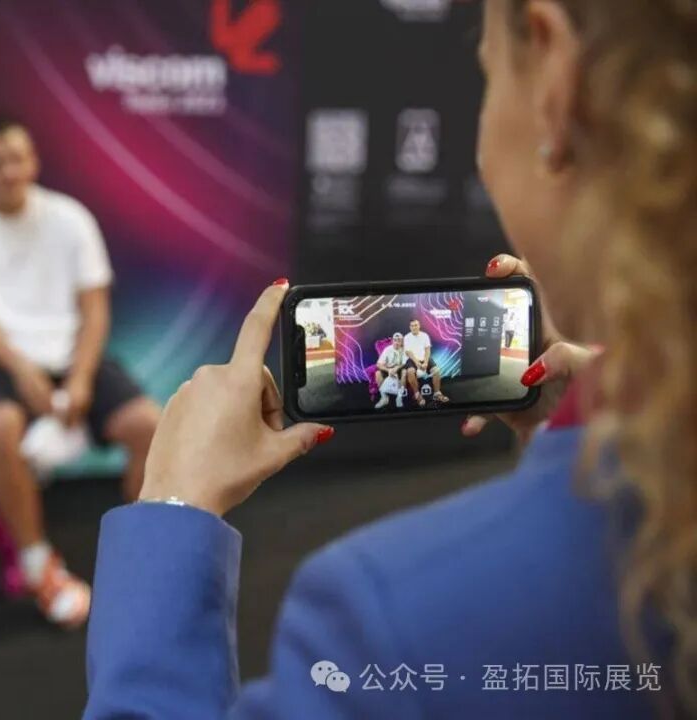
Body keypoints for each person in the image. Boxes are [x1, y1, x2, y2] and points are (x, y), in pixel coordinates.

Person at [85, 0, 694, 717]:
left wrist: (173, 504)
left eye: (488, 76)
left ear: (554, 79)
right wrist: (588, 431)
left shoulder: (382, 622)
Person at [0, 115, 161, 629]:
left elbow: (95, 307)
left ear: (33, 161)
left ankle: (143, 556)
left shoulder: (70, 217)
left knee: (150, 426)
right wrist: (22, 370)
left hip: (71, 353)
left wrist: (79, 378)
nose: (8, 172)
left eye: (16, 159)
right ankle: (39, 565)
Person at [403, 318, 450, 405]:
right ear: (410, 327)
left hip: (424, 358)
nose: (414, 327)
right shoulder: (406, 337)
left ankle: (437, 393)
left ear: (419, 326)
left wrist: (426, 362)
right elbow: (408, 352)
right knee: (410, 371)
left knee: (436, 370)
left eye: (416, 325)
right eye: (412, 326)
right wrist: (417, 363)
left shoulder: (425, 335)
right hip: (412, 359)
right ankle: (417, 395)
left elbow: (427, 350)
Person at [373, 332, 406, 409]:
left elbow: (404, 363)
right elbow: (378, 364)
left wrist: (396, 368)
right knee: (378, 373)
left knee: (404, 372)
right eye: (395, 340)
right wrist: (388, 370)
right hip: (388, 368)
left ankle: (399, 397)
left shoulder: (404, 349)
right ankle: (384, 397)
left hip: (398, 368)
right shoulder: (387, 349)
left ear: (402, 342)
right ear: (392, 341)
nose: (396, 342)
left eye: (399, 340)